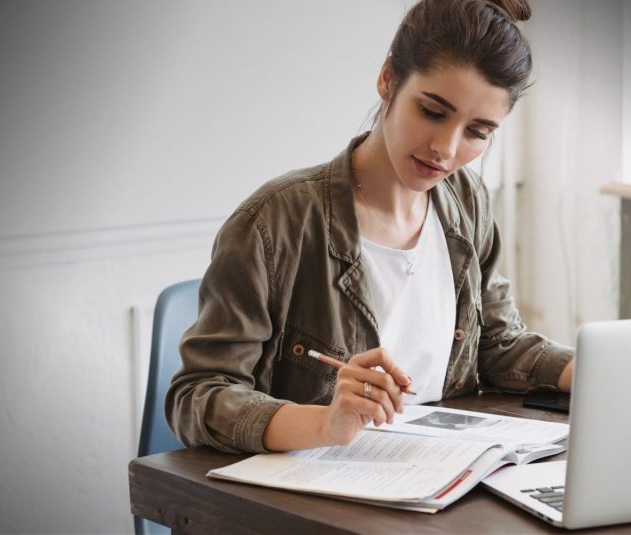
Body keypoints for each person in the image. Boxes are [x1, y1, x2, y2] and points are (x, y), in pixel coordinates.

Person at [167, 0, 575, 454]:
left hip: (433, 482)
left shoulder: (468, 203)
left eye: (477, 132)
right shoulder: (275, 222)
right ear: (387, 80)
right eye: (433, 112)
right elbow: (198, 395)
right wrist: (324, 423)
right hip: (309, 498)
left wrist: (596, 372)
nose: (445, 148)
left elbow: (499, 345)